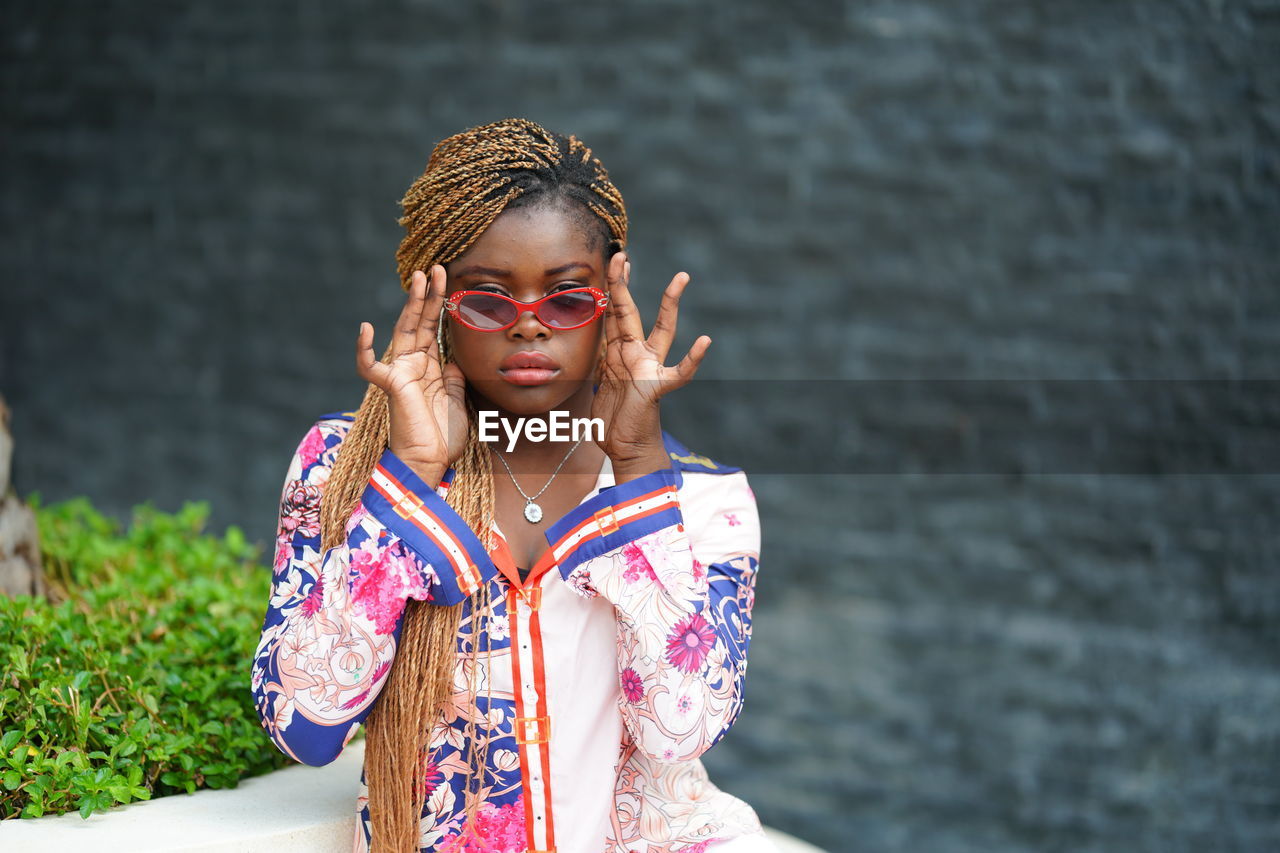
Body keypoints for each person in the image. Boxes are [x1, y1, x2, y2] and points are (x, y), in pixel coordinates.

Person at [251, 118, 774, 853]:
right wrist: (407, 480)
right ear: (435, 302)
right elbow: (300, 721)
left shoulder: (702, 501)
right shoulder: (343, 465)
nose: (529, 328)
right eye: (490, 300)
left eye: (565, 299)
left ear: (609, 298)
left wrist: (638, 464)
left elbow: (677, 727)